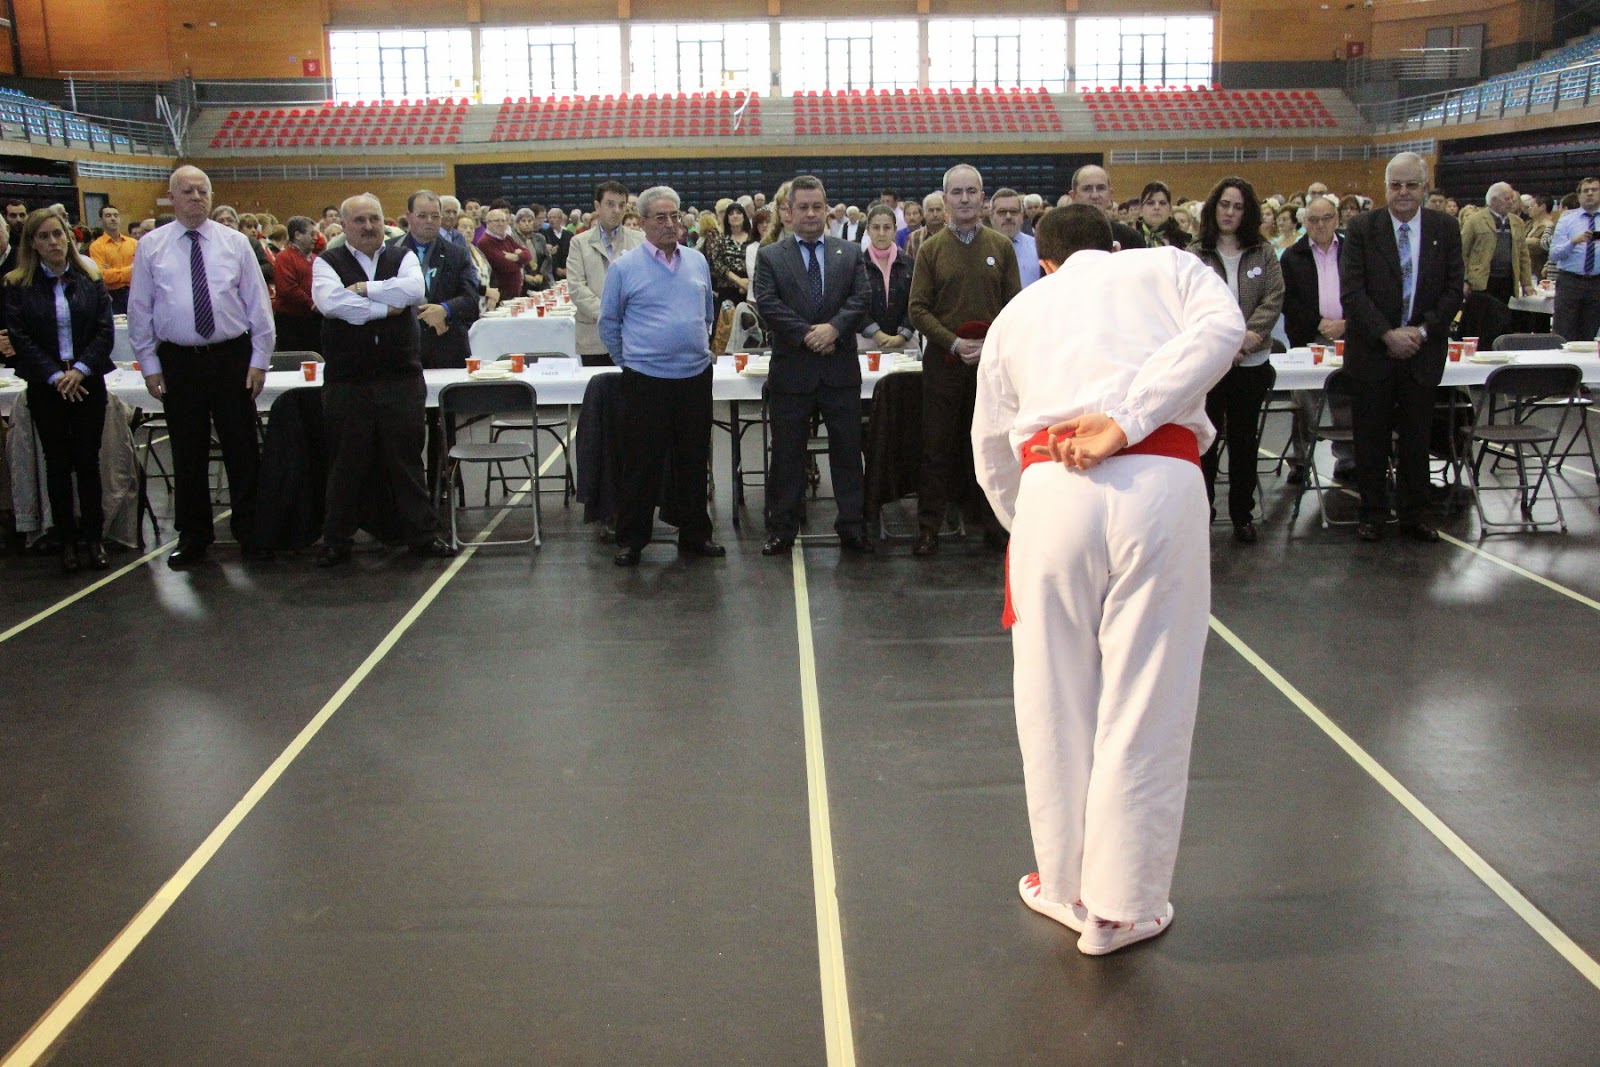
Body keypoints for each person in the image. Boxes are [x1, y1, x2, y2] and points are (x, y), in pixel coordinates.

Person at [972, 204, 1243, 957]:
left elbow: (990, 446)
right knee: (1146, 691)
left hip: (1049, 490)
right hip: (1160, 479)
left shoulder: (1020, 312)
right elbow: (1225, 333)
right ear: (1115, 244)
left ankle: (1063, 885)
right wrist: (1128, 416)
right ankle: (1121, 907)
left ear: (1046, 261)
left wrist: (1027, 521)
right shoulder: (1169, 267)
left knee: (1052, 692)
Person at [128, 165, 274, 567]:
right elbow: (139, 310)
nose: (196, 197)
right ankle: (194, 534)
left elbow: (258, 305)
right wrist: (149, 365)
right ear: (172, 198)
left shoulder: (236, 243)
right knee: (187, 451)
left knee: (242, 447)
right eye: (187, 191)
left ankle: (250, 529)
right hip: (178, 360)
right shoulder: (151, 246)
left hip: (231, 355)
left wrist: (259, 360)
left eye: (202, 190)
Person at [311, 193, 455, 567]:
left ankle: (422, 535)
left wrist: (363, 291)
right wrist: (385, 307)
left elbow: (413, 291)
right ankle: (336, 539)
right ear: (344, 226)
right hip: (348, 380)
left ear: (385, 222)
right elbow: (331, 305)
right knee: (345, 462)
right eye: (358, 220)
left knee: (407, 460)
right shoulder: (327, 262)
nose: (368, 227)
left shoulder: (402, 255)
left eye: (373, 219)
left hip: (400, 377)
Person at [1340, 151, 1465, 543]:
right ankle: (1372, 513)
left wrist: (1422, 332)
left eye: (1412, 185)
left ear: (1425, 187)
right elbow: (1352, 292)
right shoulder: (1362, 227)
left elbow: (1453, 289)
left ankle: (1416, 514)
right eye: (1396, 185)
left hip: (1423, 352)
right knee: (1370, 438)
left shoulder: (1445, 228)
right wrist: (1388, 335)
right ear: (1386, 188)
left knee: (1416, 440)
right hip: (1372, 352)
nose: (1404, 193)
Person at [598, 185, 723, 566]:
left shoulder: (697, 261)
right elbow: (609, 323)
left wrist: (695, 347)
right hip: (645, 380)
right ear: (643, 221)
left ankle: (694, 535)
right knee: (641, 464)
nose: (670, 224)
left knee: (692, 460)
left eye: (675, 217)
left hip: (695, 377)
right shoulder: (624, 267)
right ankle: (632, 539)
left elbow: (706, 314)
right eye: (660, 218)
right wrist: (632, 361)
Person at [752, 174, 873, 555]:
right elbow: (768, 304)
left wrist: (834, 330)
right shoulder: (770, 256)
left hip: (839, 372)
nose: (809, 213)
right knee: (787, 455)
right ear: (787, 212)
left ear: (826, 209)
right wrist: (808, 334)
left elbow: (861, 299)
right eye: (802, 207)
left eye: (816, 206)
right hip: (792, 373)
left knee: (848, 453)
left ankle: (852, 527)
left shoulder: (850, 253)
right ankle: (782, 528)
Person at [907, 163, 1022, 556]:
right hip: (944, 364)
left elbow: (1014, 308)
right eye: (956, 193)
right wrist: (953, 343)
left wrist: (990, 345)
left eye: (972, 191)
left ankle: (996, 525)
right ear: (944, 200)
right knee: (936, 448)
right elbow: (918, 309)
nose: (965, 199)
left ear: (983, 198)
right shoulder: (930, 249)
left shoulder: (1001, 247)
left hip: (991, 368)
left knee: (994, 445)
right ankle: (929, 528)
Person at [4, 208, 117, 572]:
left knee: (88, 461)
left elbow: (104, 331)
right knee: (56, 463)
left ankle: (93, 538)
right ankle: (66, 540)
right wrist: (55, 375)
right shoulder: (17, 284)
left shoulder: (90, 276)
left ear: (68, 235)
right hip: (46, 385)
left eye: (58, 234)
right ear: (32, 244)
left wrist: (80, 370)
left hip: (87, 382)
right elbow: (20, 337)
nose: (54, 242)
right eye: (44, 237)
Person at [1189, 177, 1284, 543]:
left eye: (1238, 206)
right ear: (1214, 208)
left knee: (1245, 441)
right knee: (1207, 442)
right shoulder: (1196, 253)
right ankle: (1204, 511)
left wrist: (1249, 338)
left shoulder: (1264, 253)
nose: (1230, 212)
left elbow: (1273, 298)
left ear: (1248, 213)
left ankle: (1242, 513)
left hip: (1251, 363)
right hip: (1210, 366)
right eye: (1225, 205)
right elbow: (1191, 302)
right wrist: (1222, 343)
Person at [1279, 194, 1355, 482]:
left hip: (1348, 335)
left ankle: (1347, 459)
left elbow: (1366, 290)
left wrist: (1345, 323)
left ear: (1336, 219)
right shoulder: (1292, 256)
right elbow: (1288, 300)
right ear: (1305, 223)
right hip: (1308, 336)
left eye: (1326, 218)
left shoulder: (1353, 251)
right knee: (1304, 402)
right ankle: (1301, 459)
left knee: (1345, 399)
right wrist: (1319, 322)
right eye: (1313, 219)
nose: (1321, 224)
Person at [389, 189, 480, 370]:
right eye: (422, 216)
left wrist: (444, 309)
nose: (429, 221)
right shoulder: (389, 251)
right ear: (409, 216)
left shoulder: (457, 253)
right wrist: (419, 313)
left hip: (446, 345)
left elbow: (470, 298)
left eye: (435, 216)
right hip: (401, 345)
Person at [567, 180, 642, 367]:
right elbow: (576, 288)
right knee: (599, 393)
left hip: (633, 335)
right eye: (610, 204)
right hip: (594, 336)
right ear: (597, 206)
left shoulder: (640, 240)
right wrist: (608, 314)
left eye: (621, 205)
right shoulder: (579, 242)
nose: (616, 210)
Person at [1460, 182, 1534, 349]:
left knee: (1503, 322)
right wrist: (1464, 280)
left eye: (1512, 199)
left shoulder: (1517, 222)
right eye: (1507, 198)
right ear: (1493, 200)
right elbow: (1462, 252)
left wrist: (1527, 283)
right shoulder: (1475, 220)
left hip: (1507, 280)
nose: (1511, 202)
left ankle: (1500, 351)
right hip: (1482, 282)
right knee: (1481, 324)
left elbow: (1523, 255)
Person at [1548, 176, 1600, 343]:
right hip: (1570, 282)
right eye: (1585, 191)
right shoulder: (1566, 220)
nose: (1590, 194)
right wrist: (1573, 242)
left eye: (1594, 190)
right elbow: (1554, 254)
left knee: (1589, 334)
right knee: (1563, 333)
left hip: (1597, 284)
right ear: (1578, 197)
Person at [860, 203, 915, 351]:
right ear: (868, 230)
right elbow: (854, 303)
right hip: (868, 343)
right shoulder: (856, 265)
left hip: (905, 343)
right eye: (876, 227)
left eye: (887, 227)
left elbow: (915, 303)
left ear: (895, 230)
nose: (882, 233)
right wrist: (875, 333)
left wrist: (902, 335)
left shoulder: (910, 264)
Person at [271, 215, 322, 354]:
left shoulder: (315, 259)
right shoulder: (284, 258)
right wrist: (311, 304)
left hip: (314, 321)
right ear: (298, 235)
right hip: (292, 323)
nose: (316, 238)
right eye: (311, 234)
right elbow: (287, 289)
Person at [1067, 164, 1146, 252]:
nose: (1095, 195)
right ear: (1073, 196)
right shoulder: (1059, 237)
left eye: (1101, 188)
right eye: (1087, 189)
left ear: (1110, 194)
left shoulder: (1131, 238)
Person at [87, 204, 137, 314]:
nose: (113, 218)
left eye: (115, 215)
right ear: (101, 220)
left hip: (135, 292)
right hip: (112, 295)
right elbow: (102, 276)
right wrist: (130, 269)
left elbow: (141, 272)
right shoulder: (96, 246)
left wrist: (113, 270)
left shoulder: (134, 243)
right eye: (108, 215)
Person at [475, 208, 531, 300]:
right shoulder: (485, 242)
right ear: (487, 223)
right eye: (497, 221)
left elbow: (529, 255)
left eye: (503, 221)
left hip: (515, 294)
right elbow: (505, 265)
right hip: (500, 295)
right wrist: (521, 261)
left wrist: (516, 257)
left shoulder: (507, 238)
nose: (501, 224)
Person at [210, 204, 274, 284]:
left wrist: (244, 273)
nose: (226, 223)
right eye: (221, 221)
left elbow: (268, 269)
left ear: (237, 224)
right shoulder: (209, 246)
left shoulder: (251, 243)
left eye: (230, 220)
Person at [990, 187, 1041, 288]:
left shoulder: (1037, 247)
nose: (1008, 216)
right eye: (1002, 212)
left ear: (1022, 216)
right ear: (991, 216)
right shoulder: (980, 248)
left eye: (1013, 211)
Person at [711, 200, 757, 306]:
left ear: (744, 216)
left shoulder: (753, 239)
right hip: (727, 289)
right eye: (731, 214)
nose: (735, 216)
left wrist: (748, 283)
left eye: (738, 213)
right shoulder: (720, 239)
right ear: (727, 218)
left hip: (749, 289)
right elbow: (717, 264)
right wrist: (738, 280)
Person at [511, 208, 552, 293]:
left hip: (540, 280)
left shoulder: (540, 238)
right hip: (521, 283)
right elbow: (512, 262)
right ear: (517, 223)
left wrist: (541, 274)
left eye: (530, 221)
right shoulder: (512, 239)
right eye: (523, 221)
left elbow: (547, 258)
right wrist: (524, 276)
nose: (527, 224)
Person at [904, 191, 946, 261]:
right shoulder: (913, 237)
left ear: (944, 212)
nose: (935, 214)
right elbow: (907, 267)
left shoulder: (953, 235)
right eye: (931, 210)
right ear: (924, 213)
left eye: (938, 210)